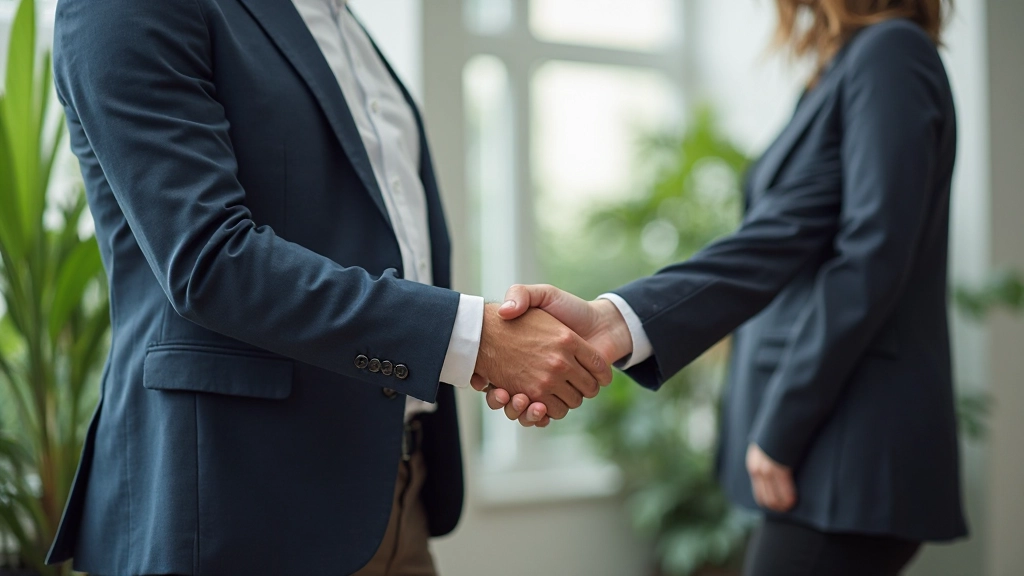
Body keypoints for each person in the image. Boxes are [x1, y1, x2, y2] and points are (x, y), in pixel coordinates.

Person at [46, 0, 612, 574]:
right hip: (238, 507)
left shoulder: (340, 22)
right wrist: (474, 340)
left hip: (397, 498)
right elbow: (209, 260)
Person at [484, 1, 966, 574]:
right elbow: (778, 237)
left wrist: (786, 424)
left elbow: (871, 257)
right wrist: (616, 320)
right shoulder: (843, 68)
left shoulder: (891, 53)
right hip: (831, 446)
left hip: (847, 444)